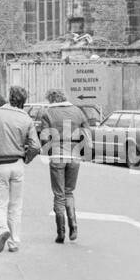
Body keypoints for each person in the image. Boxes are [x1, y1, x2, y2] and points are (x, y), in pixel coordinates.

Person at [0, 84, 40, 253]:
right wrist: (26, 159)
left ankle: (1, 230)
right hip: (17, 164)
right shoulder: (27, 119)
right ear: (24, 101)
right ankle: (14, 242)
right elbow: (35, 146)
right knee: (16, 205)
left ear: (9, 96)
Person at [37, 89, 90, 243]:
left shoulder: (48, 113)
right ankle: (73, 224)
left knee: (59, 195)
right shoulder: (78, 111)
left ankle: (61, 233)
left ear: (51, 99)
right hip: (74, 156)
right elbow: (87, 133)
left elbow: (44, 137)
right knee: (69, 192)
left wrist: (48, 152)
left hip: (57, 156)